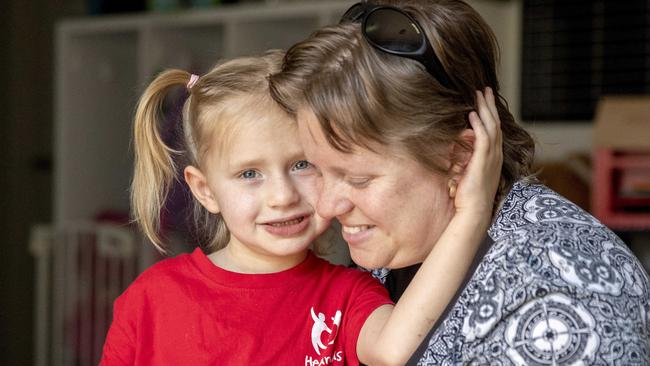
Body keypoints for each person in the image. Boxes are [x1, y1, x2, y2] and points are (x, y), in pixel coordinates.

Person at [268, 0, 650, 364]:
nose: (326, 206)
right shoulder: (400, 246)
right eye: (317, 168)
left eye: (358, 178)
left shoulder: (559, 298)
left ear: (460, 157)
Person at [100, 49, 504, 365]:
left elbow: (394, 349)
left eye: (301, 165)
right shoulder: (151, 297)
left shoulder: (347, 293)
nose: (282, 196)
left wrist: (471, 212)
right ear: (205, 191)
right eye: (249, 174)